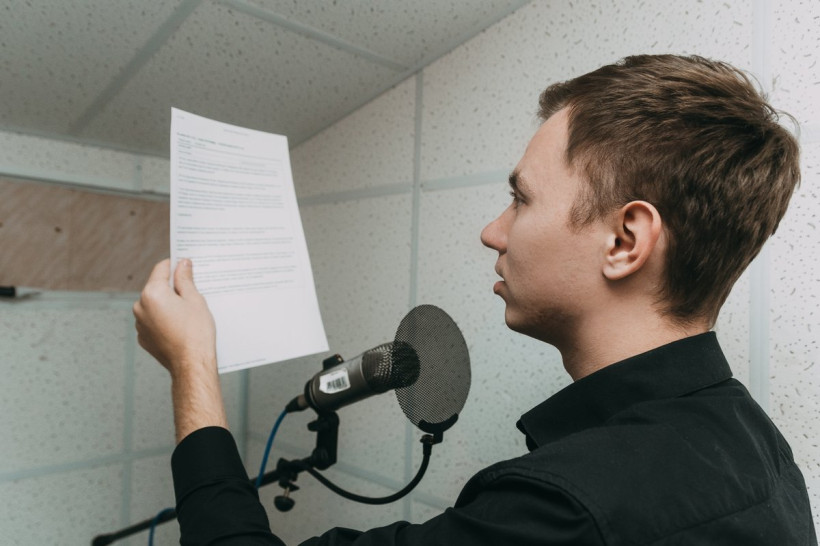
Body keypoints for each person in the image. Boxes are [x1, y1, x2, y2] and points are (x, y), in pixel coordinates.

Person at [134, 54, 817, 544]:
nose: (493, 231)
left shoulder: (567, 508)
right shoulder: (756, 444)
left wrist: (191, 366)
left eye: (521, 199)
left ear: (624, 240)